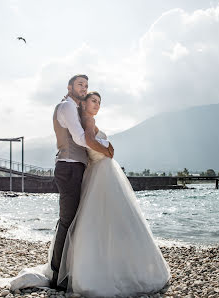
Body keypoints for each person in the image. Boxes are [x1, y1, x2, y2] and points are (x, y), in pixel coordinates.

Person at [56, 91, 170, 296]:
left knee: (102, 220)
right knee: (113, 219)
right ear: (84, 104)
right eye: (93, 101)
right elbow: (90, 141)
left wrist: (107, 149)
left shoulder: (85, 119)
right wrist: (107, 150)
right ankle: (114, 267)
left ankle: (103, 263)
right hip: (101, 172)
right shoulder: (88, 120)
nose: (97, 105)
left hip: (100, 173)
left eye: (99, 102)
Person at [51, 75, 114, 290]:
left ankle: (68, 269)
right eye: (80, 84)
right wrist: (106, 150)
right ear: (69, 87)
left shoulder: (76, 109)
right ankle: (57, 275)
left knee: (73, 220)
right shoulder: (67, 107)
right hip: (68, 167)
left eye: (86, 85)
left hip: (75, 167)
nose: (83, 88)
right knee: (67, 221)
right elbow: (79, 139)